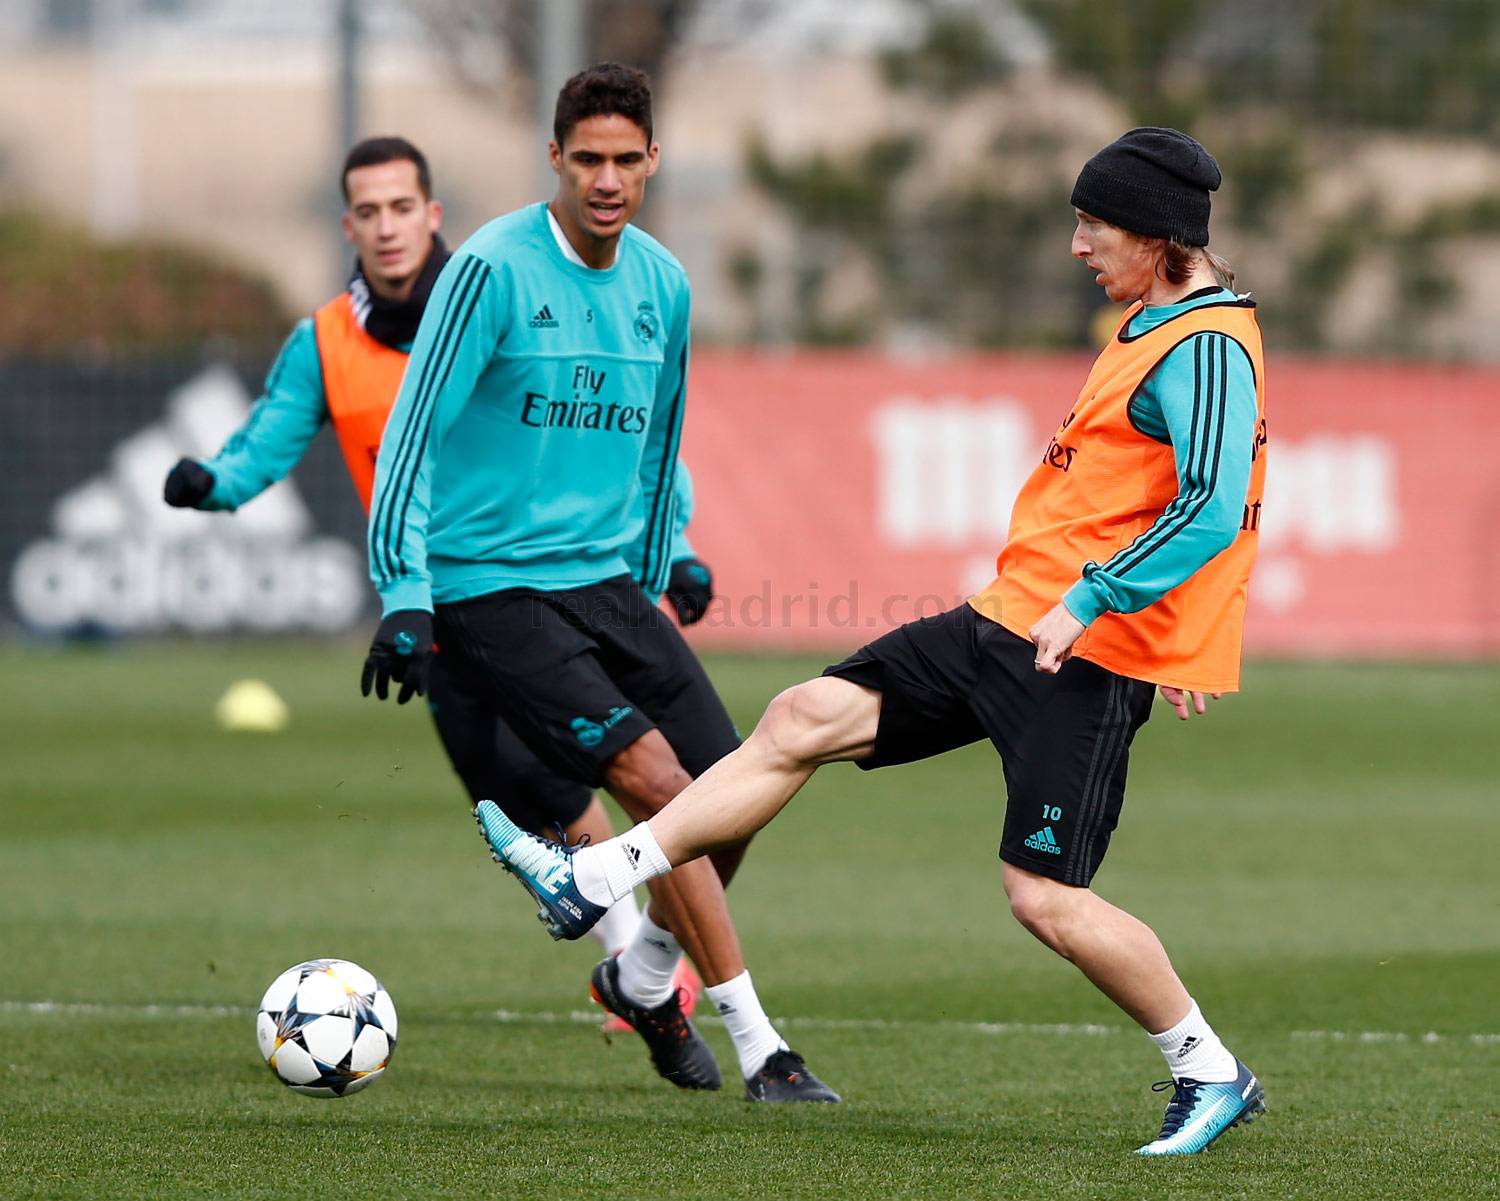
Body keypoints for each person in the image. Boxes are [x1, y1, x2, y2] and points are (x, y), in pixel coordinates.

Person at [480, 127, 1270, 1152]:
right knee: (801, 717)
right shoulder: (1158, 320)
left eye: (1094, 226)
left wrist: (1106, 603)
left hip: (1076, 651)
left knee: (1044, 898)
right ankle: (592, 877)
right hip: (1007, 619)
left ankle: (1209, 1069)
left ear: (1159, 236)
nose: (1078, 246)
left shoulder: (1205, 343)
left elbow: (1213, 505)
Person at [360, 66, 838, 1103]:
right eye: (588, 159)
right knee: (665, 788)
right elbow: (411, 435)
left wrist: (671, 557)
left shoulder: (664, 284)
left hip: (606, 581)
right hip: (489, 588)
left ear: (653, 160)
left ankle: (641, 975)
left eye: (626, 159)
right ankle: (763, 1047)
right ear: (555, 159)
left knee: (737, 792)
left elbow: (659, 447)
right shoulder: (489, 270)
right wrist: (404, 590)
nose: (608, 179)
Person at [160, 135, 712, 1002]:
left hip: (536, 589)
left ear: (432, 214)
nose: (387, 227)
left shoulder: (505, 293)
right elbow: (266, 440)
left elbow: (623, 433)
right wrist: (214, 483)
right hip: (428, 610)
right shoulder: (326, 343)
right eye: (368, 212)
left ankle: (650, 978)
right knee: (511, 793)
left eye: (402, 207)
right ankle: (635, 969)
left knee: (589, 774)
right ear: (348, 226)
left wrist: (671, 545)